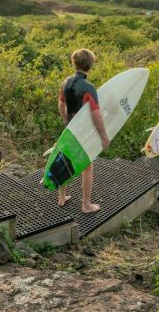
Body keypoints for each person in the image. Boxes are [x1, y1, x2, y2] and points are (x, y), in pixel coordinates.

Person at [57, 48, 110, 213]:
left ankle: (61, 197)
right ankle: (86, 205)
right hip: (83, 131)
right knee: (87, 166)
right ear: (90, 66)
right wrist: (104, 137)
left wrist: (66, 120)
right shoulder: (88, 87)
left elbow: (61, 104)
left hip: (69, 129)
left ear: (74, 63)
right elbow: (96, 115)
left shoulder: (66, 82)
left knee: (65, 161)